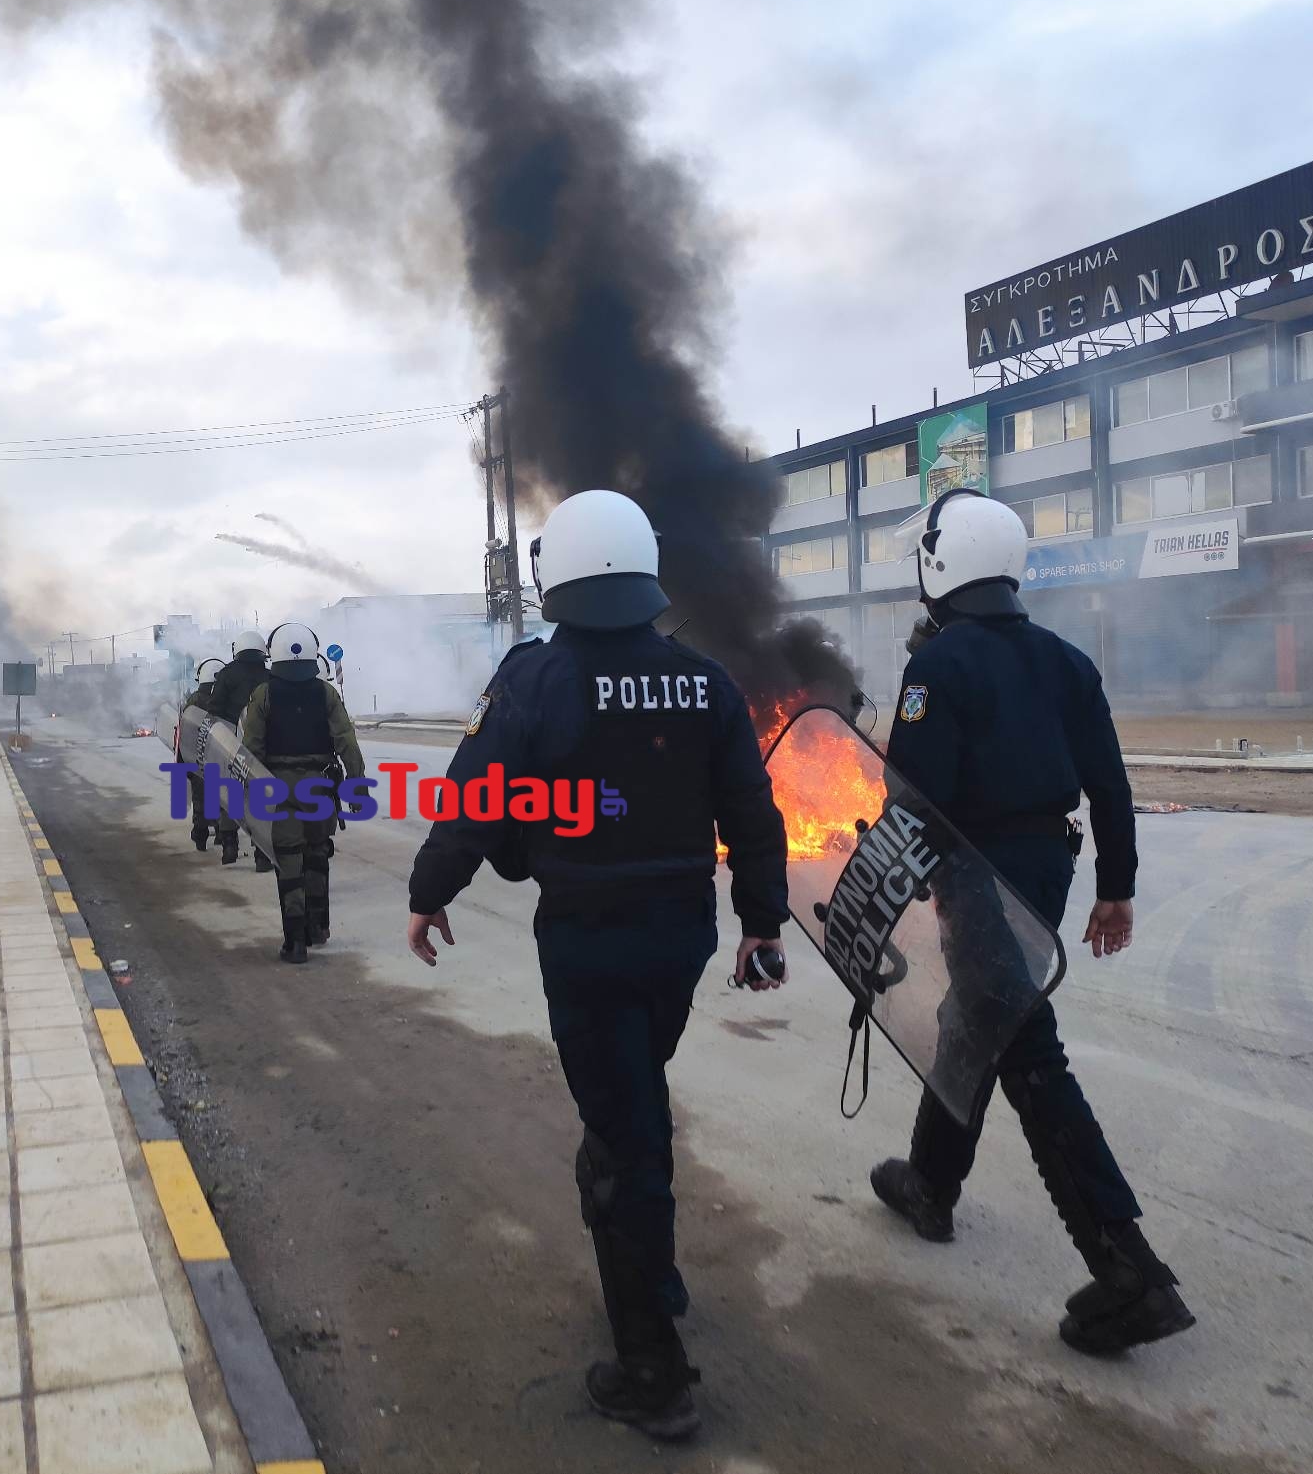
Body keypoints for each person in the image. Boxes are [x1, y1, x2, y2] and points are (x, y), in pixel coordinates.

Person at [404, 489, 789, 1442]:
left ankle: (654, 1369)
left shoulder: (535, 678)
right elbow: (751, 810)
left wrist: (429, 890)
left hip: (586, 934)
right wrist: (760, 921)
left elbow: (475, 800)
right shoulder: (704, 682)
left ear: (558, 574)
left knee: (621, 1133)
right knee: (634, 1094)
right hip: (680, 935)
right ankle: (650, 1272)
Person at [868, 488, 1193, 1357]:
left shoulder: (938, 668)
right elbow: (1111, 785)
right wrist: (1114, 886)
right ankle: (930, 1183)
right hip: (1049, 867)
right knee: (974, 1017)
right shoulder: (1066, 659)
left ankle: (1128, 1267)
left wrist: (873, 905)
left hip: (975, 874)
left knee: (1023, 1043)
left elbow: (910, 799)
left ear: (940, 564)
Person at [241, 622, 365, 963]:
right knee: (318, 854)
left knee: (289, 863)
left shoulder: (263, 695)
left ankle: (295, 942)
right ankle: (318, 928)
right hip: (321, 788)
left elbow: (250, 749)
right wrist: (357, 786)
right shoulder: (326, 693)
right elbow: (347, 742)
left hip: (279, 791)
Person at [208, 630, 272, 866]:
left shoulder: (226, 675)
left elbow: (214, 710)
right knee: (260, 796)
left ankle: (229, 845)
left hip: (232, 743)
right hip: (264, 744)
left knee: (231, 793)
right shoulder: (270, 676)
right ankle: (263, 854)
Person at [182, 657, 224, 851]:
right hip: (223, 756)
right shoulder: (227, 697)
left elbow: (185, 732)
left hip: (199, 758)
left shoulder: (194, 700)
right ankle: (223, 833)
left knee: (200, 798)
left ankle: (200, 836)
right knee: (223, 797)